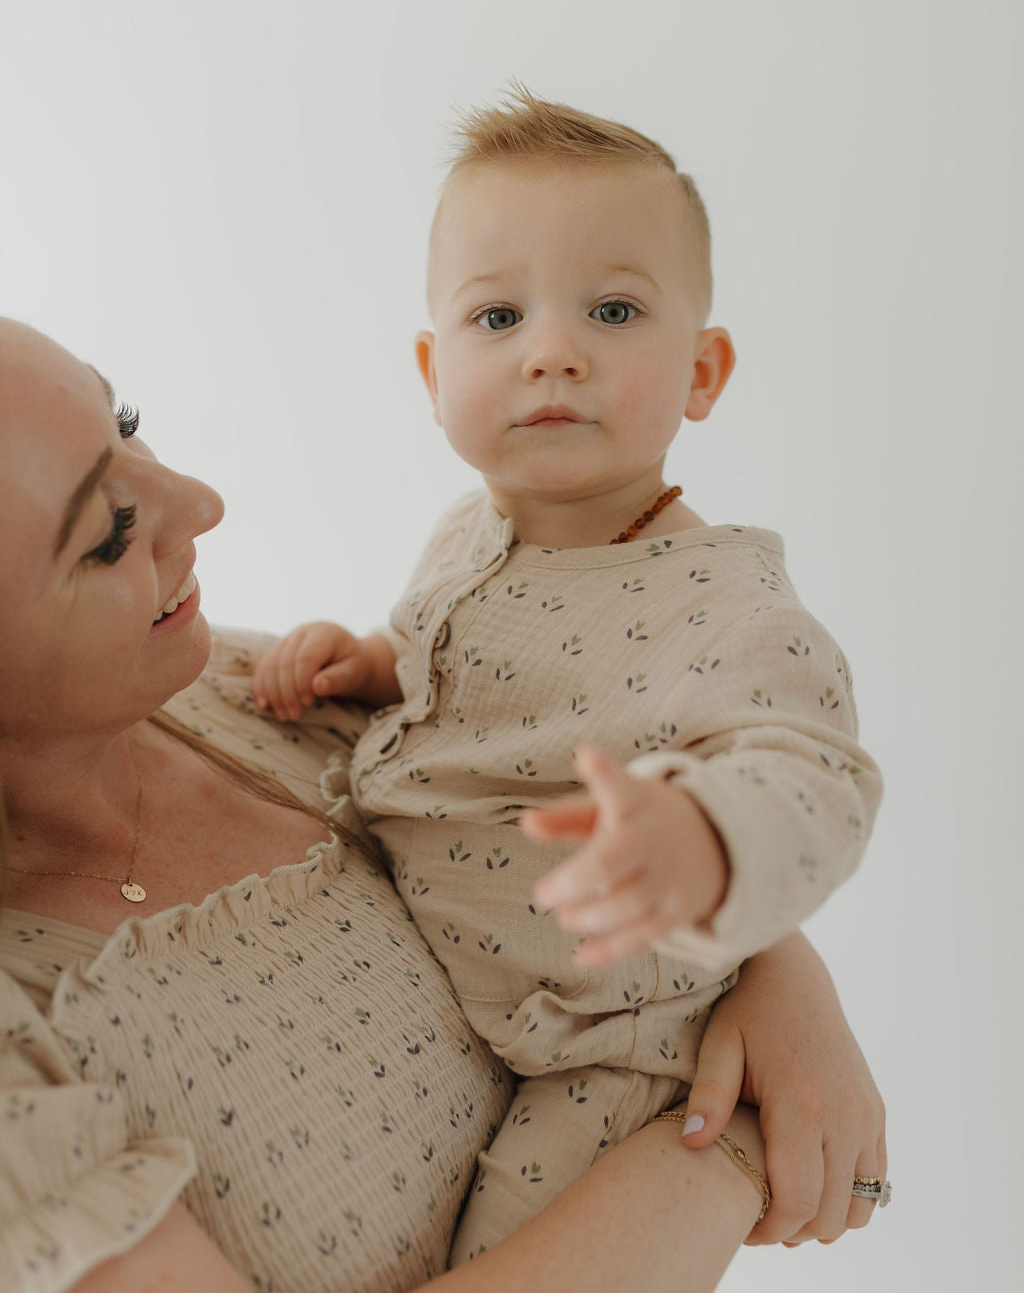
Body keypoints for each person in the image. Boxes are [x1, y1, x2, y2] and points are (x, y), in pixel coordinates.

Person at [0, 318, 888, 1293]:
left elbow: (535, 803)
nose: (201, 504)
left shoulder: (248, 691)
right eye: (109, 533)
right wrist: (729, 1152)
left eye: (126, 423)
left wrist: (777, 973)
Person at [254, 88, 885, 1260]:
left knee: (511, 1263)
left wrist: (705, 835)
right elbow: (478, 663)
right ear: (433, 370)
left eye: (610, 309)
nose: (551, 351)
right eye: (497, 318)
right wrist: (377, 659)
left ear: (702, 371)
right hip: (463, 1000)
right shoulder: (470, 528)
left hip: (612, 1045)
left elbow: (818, 775)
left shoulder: (721, 599)